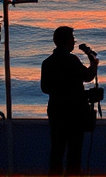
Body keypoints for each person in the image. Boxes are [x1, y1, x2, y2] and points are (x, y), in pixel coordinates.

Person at [41, 26, 99, 175]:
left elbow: (45, 88)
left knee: (57, 152)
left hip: (56, 113)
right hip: (74, 115)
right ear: (66, 41)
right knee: (74, 154)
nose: (74, 41)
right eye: (72, 38)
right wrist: (94, 64)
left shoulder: (47, 63)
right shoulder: (72, 60)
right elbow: (87, 76)